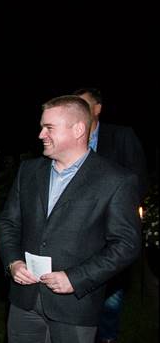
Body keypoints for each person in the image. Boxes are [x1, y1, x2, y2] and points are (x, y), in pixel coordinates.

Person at [0, 95, 141, 343]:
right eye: (42, 127)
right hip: (24, 300)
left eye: (49, 128)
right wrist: (13, 263)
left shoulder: (115, 180)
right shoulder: (29, 171)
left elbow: (126, 244)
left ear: (78, 129)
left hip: (74, 307)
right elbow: (9, 223)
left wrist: (75, 278)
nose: (41, 134)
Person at [74, 87, 148, 343]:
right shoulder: (71, 141)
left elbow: (137, 180)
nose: (78, 109)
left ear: (98, 108)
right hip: (78, 236)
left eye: (84, 104)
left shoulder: (122, 135)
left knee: (110, 301)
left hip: (112, 233)